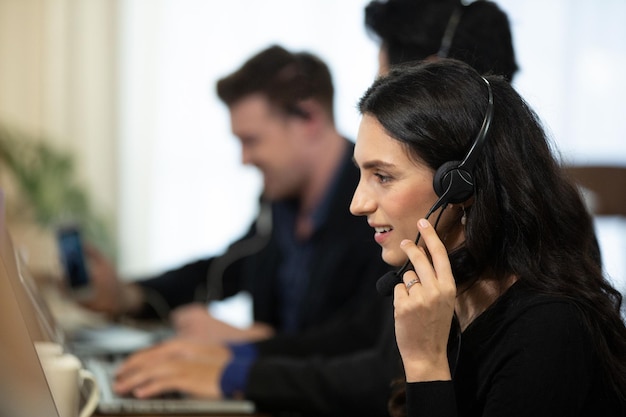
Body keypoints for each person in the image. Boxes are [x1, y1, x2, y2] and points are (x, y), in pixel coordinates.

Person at [111, 2, 525, 416]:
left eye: (392, 90)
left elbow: (371, 361)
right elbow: (225, 269)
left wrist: (243, 362)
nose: (360, 204)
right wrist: (130, 296)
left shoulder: (533, 312)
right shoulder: (296, 208)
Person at [350, 58, 626, 416]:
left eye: (383, 177)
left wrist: (425, 364)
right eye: (361, 173)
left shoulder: (548, 330)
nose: (358, 203)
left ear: (458, 185)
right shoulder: (446, 304)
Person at [83, 44, 390, 341]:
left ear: (308, 119)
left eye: (252, 140)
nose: (244, 159)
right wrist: (129, 295)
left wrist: (250, 344)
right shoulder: (279, 205)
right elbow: (225, 271)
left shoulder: (380, 206)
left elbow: (361, 346)